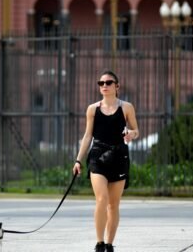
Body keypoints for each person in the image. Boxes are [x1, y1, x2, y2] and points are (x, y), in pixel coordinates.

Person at [73, 70, 139, 252]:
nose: (104, 86)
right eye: (101, 83)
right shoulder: (92, 109)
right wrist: (78, 160)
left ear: (117, 86)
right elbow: (87, 136)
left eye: (108, 83)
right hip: (98, 155)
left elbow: (136, 130)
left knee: (113, 204)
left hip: (119, 155)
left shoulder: (126, 107)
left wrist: (131, 134)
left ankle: (109, 244)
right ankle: (99, 243)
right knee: (101, 199)